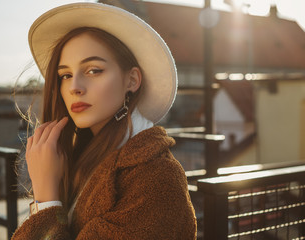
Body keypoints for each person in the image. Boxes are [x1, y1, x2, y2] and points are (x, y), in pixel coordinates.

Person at [11, 2, 196, 239]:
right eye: (65, 75)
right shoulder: (85, 156)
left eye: (93, 70)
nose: (74, 87)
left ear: (131, 80)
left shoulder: (157, 178)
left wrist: (46, 196)